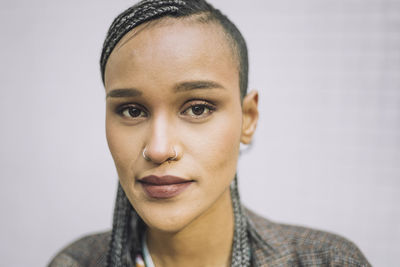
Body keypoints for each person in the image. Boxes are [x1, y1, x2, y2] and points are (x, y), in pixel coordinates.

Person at [49, 0, 371, 266]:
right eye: (132, 111)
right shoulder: (74, 262)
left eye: (198, 108)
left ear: (248, 118)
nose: (159, 149)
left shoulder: (328, 261)